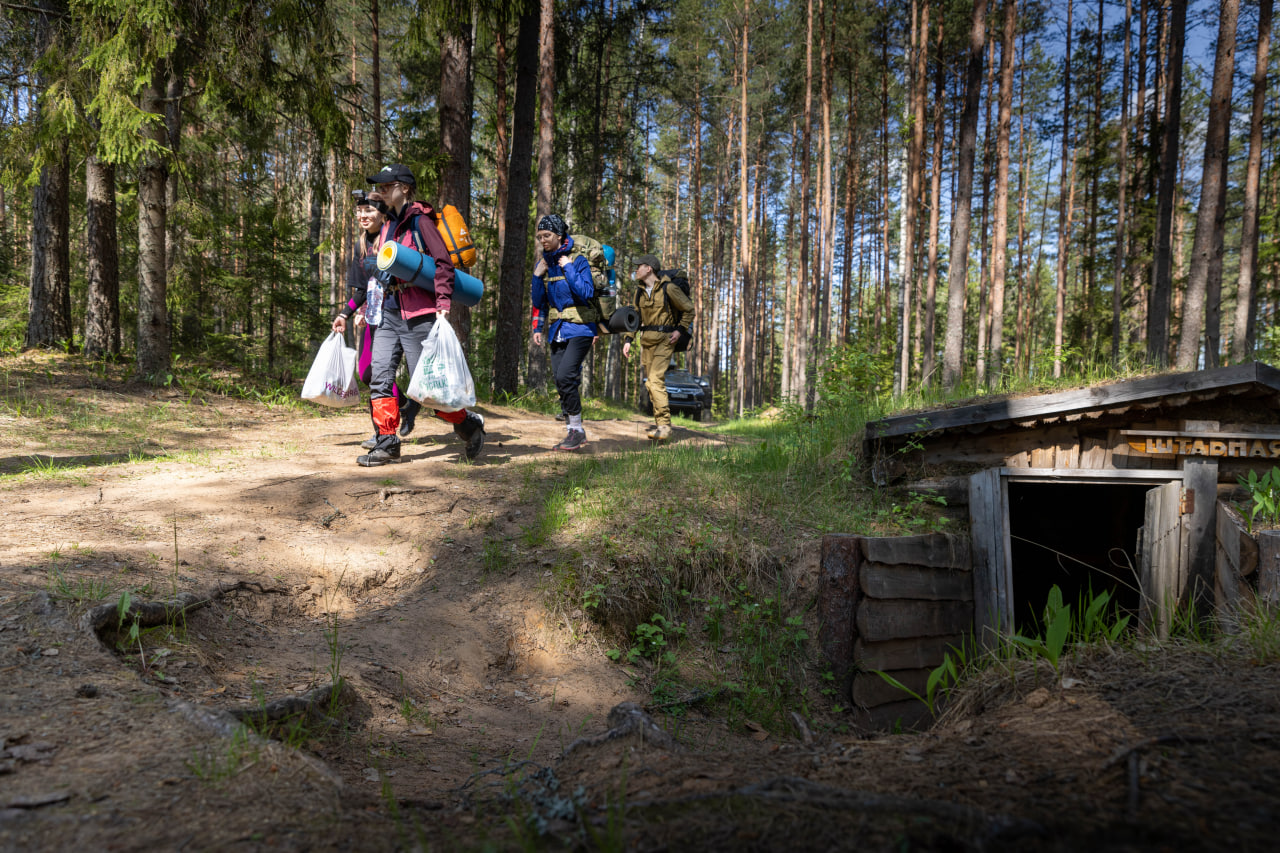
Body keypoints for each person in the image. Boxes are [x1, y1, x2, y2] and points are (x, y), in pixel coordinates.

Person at [331, 164, 485, 466]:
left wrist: (442, 300)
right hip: (388, 312)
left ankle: (468, 425)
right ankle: (387, 442)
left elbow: (442, 262)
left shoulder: (420, 221)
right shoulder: (387, 224)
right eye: (380, 186)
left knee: (429, 390)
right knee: (379, 377)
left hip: (419, 313)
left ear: (404, 188)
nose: (382, 190)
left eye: (387, 186)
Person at [333, 191, 419, 450]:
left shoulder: (395, 236)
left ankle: (385, 433)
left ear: (383, 214)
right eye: (359, 211)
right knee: (368, 373)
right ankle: (401, 407)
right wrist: (344, 314)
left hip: (403, 313)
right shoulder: (363, 245)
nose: (362, 216)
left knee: (406, 376)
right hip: (375, 316)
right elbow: (362, 288)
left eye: (368, 211)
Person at [531, 213, 597, 451]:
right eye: (539, 237)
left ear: (559, 235)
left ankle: (577, 430)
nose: (543, 241)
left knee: (565, 376)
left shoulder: (577, 259)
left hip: (580, 328)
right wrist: (537, 276)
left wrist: (568, 267)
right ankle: (573, 431)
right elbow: (539, 301)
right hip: (557, 329)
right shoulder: (546, 264)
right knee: (562, 381)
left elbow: (586, 292)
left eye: (547, 236)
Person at [623, 253, 693, 441]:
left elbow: (689, 309)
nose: (636, 270)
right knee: (650, 383)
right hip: (647, 341)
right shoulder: (639, 292)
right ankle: (660, 426)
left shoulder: (668, 288)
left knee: (655, 380)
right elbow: (635, 318)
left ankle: (664, 426)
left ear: (649, 269)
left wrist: (679, 331)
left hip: (665, 339)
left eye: (639, 266)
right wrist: (629, 340)